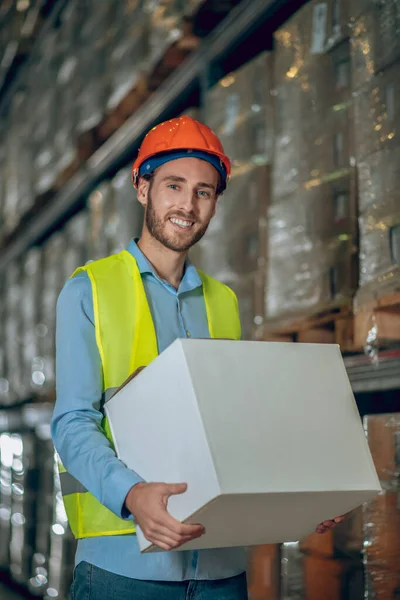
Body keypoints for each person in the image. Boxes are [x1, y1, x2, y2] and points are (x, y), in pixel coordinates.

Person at [52, 116, 344, 600]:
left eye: (204, 192)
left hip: (220, 567)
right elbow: (72, 422)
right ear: (142, 189)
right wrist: (131, 494)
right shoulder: (89, 290)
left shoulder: (223, 302)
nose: (187, 205)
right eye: (173, 186)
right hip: (123, 568)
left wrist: (301, 493)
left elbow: (234, 426)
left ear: (215, 204)